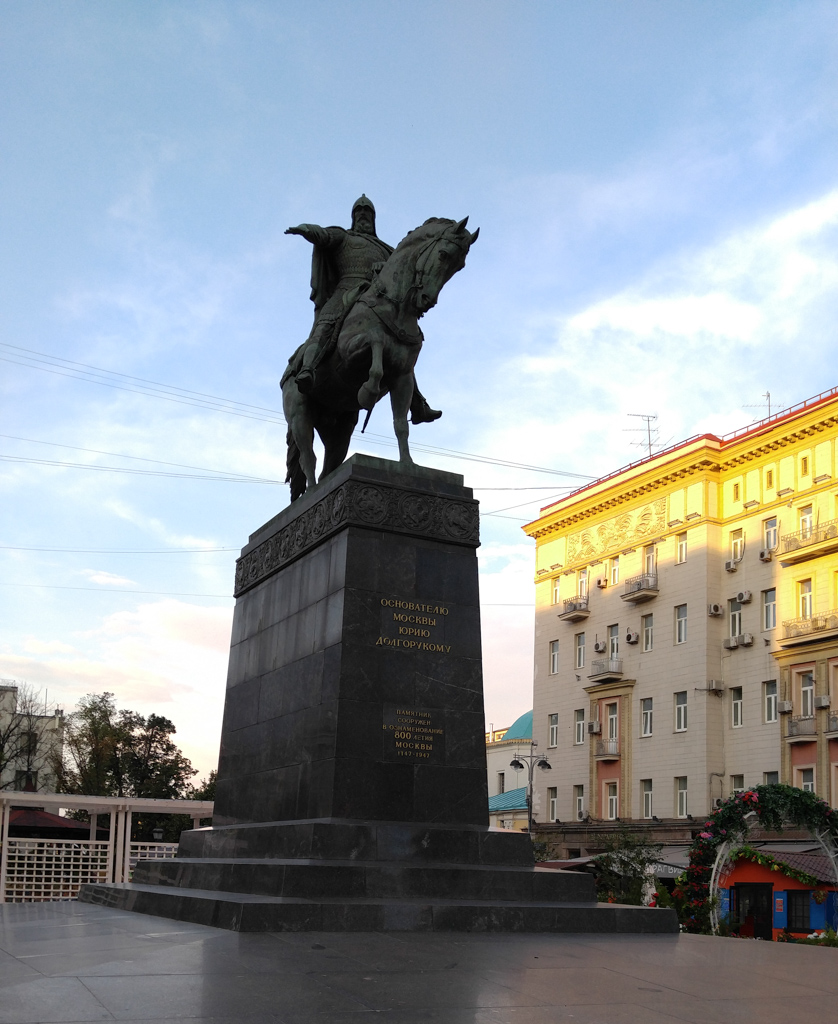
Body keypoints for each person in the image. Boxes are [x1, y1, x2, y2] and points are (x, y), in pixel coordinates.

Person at [284, 195, 441, 423]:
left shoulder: (388, 250)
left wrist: (385, 268)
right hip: (346, 291)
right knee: (326, 323)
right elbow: (324, 236)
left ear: (374, 219)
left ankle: (417, 404)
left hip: (378, 297)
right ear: (353, 217)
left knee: (402, 345)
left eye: (367, 213)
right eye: (359, 213)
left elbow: (401, 272)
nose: (363, 216)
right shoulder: (344, 236)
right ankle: (308, 368)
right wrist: (307, 230)